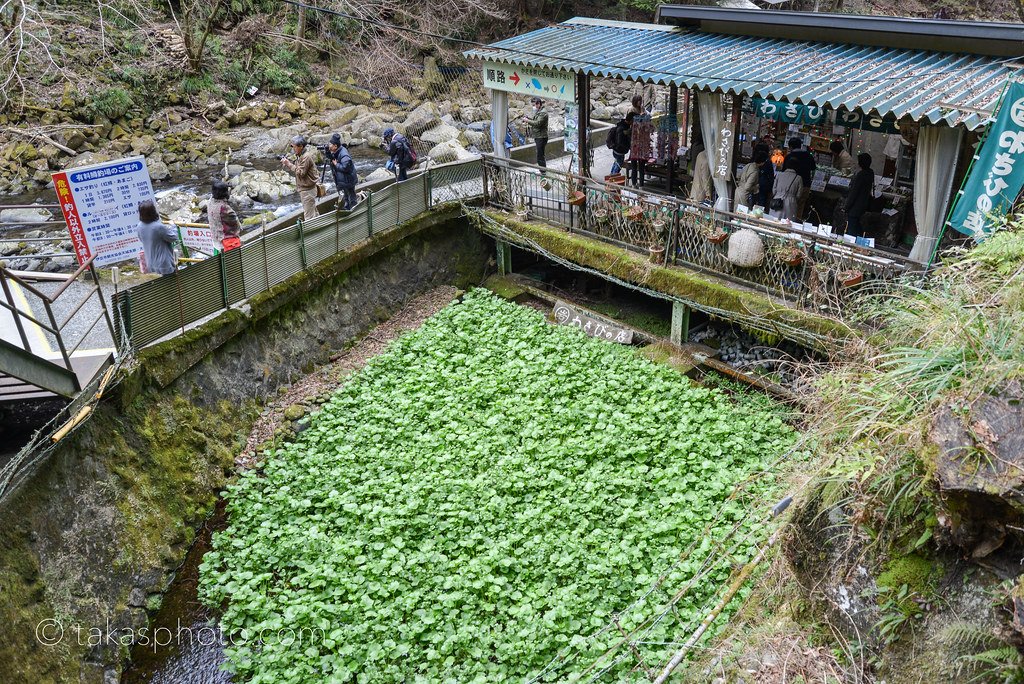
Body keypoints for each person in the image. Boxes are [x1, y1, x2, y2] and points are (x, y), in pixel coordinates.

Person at [280, 135, 319, 220]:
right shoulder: (301, 155)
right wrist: (289, 163)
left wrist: (288, 164)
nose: (293, 149)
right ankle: (319, 228)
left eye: (294, 147)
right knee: (313, 211)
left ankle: (312, 232)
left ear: (301, 146)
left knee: (309, 216)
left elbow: (301, 173)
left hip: (308, 190)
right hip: (306, 189)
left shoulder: (306, 157)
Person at [136, 199, 177, 275]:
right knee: (172, 284)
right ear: (153, 212)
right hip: (164, 264)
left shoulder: (139, 226)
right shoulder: (158, 227)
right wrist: (173, 226)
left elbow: (142, 240)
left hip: (151, 263)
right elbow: (173, 237)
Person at [845, 153, 875, 237]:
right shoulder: (870, 173)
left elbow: (854, 193)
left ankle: (852, 243)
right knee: (857, 224)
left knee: (852, 227)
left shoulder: (861, 175)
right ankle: (862, 238)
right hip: (864, 203)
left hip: (856, 205)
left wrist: (847, 206)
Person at [786, 137, 815, 219]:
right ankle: (796, 223)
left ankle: (786, 221)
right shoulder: (808, 156)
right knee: (800, 206)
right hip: (805, 185)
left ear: (790, 147)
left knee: (788, 204)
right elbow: (813, 168)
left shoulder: (789, 157)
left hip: (791, 184)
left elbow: (784, 171)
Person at [208, 180, 241, 252]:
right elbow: (234, 221)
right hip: (227, 244)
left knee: (219, 262)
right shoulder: (223, 207)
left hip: (215, 240)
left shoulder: (210, 202)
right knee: (230, 262)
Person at [327, 133, 358, 210]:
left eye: (330, 144)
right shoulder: (337, 151)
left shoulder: (344, 155)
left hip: (348, 181)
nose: (329, 146)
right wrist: (327, 152)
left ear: (335, 146)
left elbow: (345, 168)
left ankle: (354, 211)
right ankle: (347, 209)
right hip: (343, 181)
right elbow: (331, 158)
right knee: (346, 197)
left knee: (351, 198)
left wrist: (336, 165)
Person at [770, 156, 804, 222]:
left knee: (773, 221)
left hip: (777, 199)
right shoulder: (798, 178)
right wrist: (793, 198)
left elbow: (774, 189)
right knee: (787, 224)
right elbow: (799, 194)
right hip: (791, 202)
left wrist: (777, 195)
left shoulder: (779, 174)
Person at [524, 97, 549, 169]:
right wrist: (528, 118)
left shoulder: (543, 113)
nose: (533, 107)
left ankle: (543, 172)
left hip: (541, 137)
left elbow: (538, 123)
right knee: (540, 154)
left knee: (540, 155)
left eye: (534, 105)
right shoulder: (539, 111)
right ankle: (543, 170)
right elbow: (535, 120)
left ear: (538, 104)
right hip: (538, 136)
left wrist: (527, 121)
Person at [609, 111, 634, 176]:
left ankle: (611, 175)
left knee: (616, 162)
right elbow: (620, 141)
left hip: (616, 149)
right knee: (619, 164)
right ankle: (613, 178)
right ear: (631, 120)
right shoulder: (623, 128)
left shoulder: (621, 124)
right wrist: (627, 147)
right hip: (619, 150)